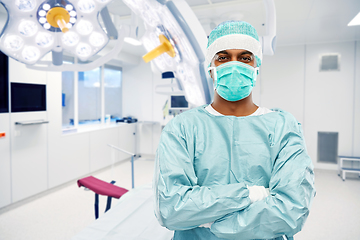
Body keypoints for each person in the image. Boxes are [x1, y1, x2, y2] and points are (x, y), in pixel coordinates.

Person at [153, 21, 316, 240]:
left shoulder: (283, 127)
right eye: (223, 57)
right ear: (211, 69)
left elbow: (291, 211)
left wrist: (208, 221)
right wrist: (253, 194)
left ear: (256, 68)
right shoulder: (181, 129)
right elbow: (171, 209)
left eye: (245, 58)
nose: (234, 65)